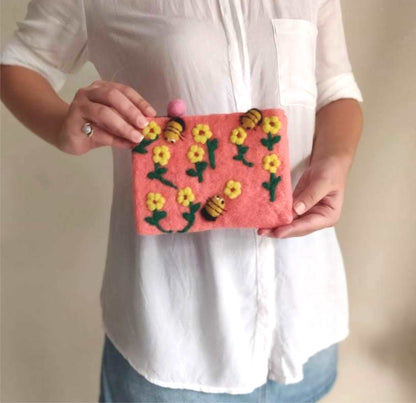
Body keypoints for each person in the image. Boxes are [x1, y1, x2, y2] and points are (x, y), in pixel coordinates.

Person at [0, 0, 363, 402]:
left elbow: (336, 89)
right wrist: (63, 127)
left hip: (304, 325)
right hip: (173, 344)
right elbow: (21, 64)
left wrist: (335, 160)